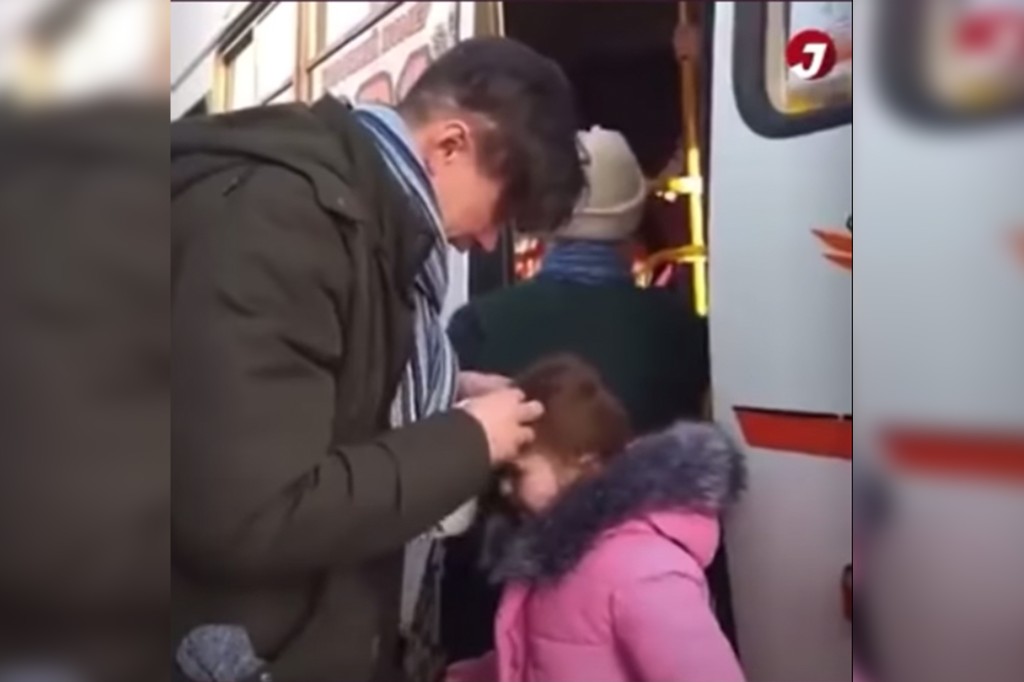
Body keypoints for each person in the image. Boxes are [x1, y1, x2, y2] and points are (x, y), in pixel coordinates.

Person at [171, 37, 585, 682]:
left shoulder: (357, 220)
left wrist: (448, 391)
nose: (483, 240)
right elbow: (251, 516)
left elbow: (318, 396)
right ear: (450, 145)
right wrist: (470, 441)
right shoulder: (283, 219)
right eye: (501, 213)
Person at [441, 126, 712, 662]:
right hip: (653, 595)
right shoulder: (691, 331)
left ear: (545, 220)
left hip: (501, 602)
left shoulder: (480, 324)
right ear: (634, 219)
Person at [446, 355, 746, 682]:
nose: (504, 488)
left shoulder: (641, 571)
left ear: (583, 464)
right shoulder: (556, 556)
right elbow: (550, 652)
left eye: (518, 472)